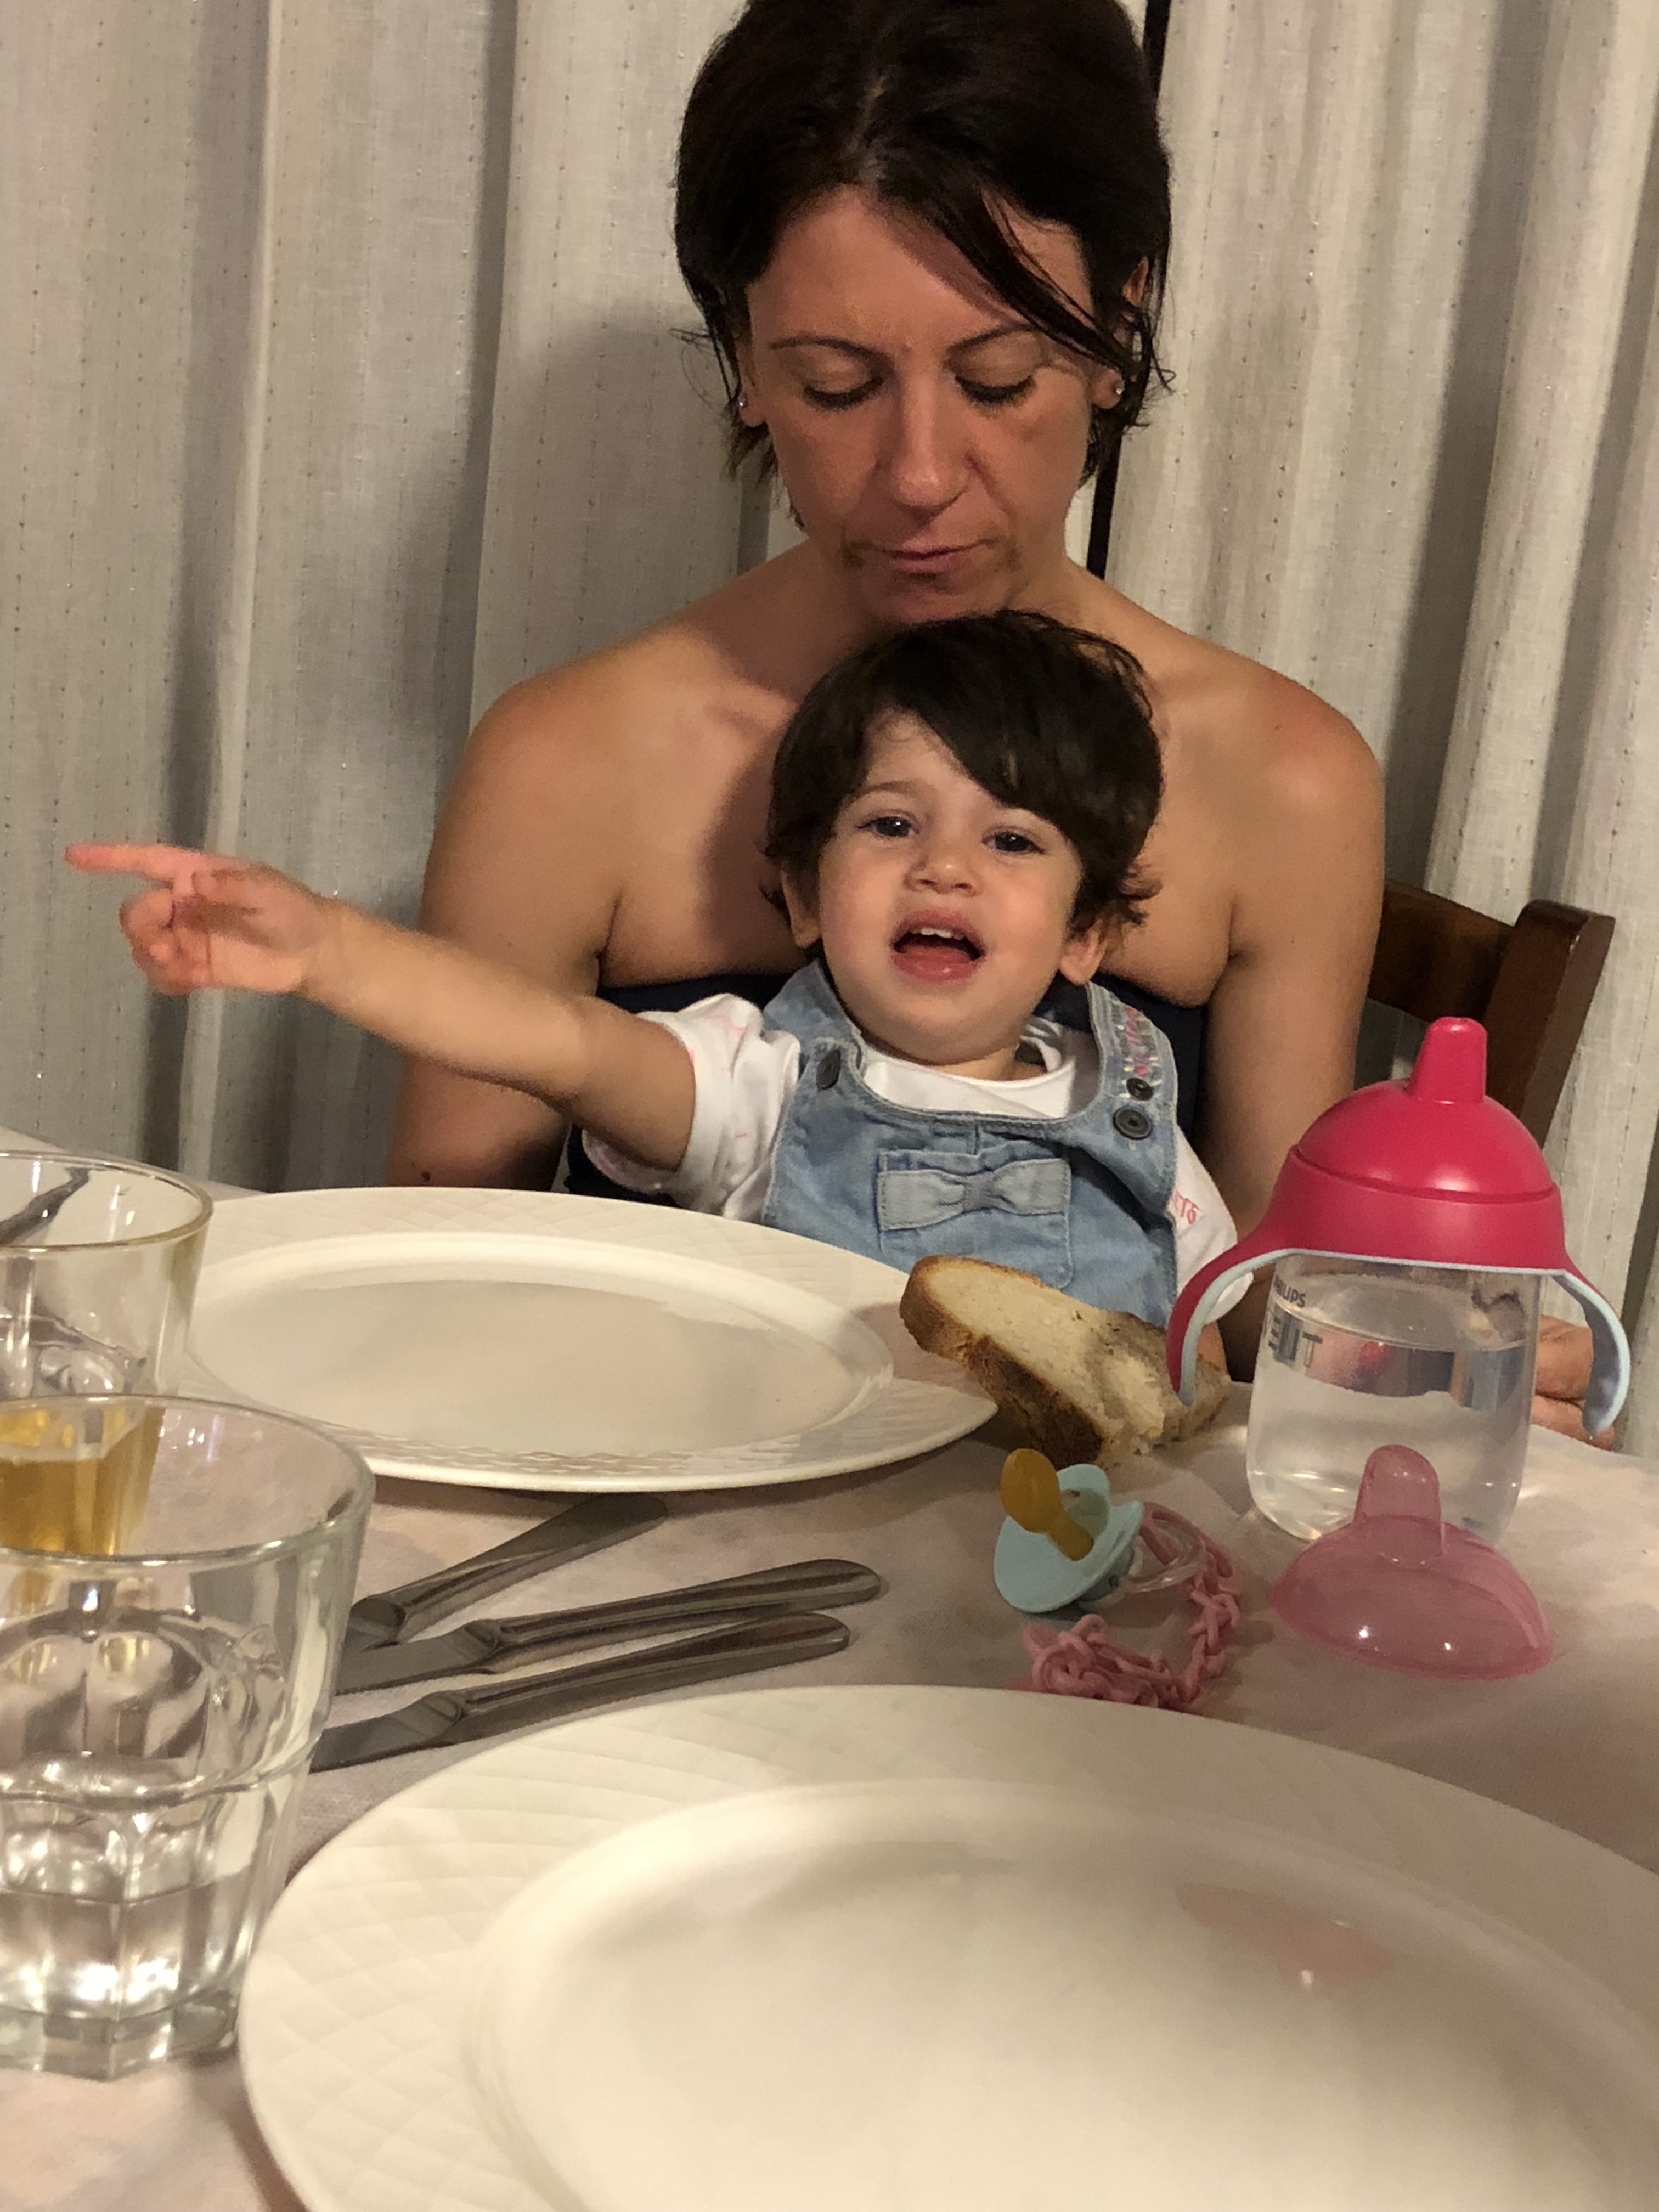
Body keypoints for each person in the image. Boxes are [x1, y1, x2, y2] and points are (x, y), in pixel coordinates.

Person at [387, 0, 1594, 1434]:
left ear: (1119, 329)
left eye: (997, 378)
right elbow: (435, 1280)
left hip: (1073, 1542)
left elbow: (1260, 1306)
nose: (918, 474)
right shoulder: (570, 762)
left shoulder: (1279, 777)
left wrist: (1423, 1362)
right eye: (836, 385)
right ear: (743, 358)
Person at [72, 613, 1238, 1335]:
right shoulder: (752, 1081)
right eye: (891, 825)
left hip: (1075, 1567)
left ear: (1087, 933)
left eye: (1013, 840)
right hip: (801, 1549)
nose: (945, 867)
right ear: (801, 894)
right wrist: (328, 947)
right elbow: (552, 1041)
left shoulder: (1136, 1110)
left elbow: (1219, 1359)